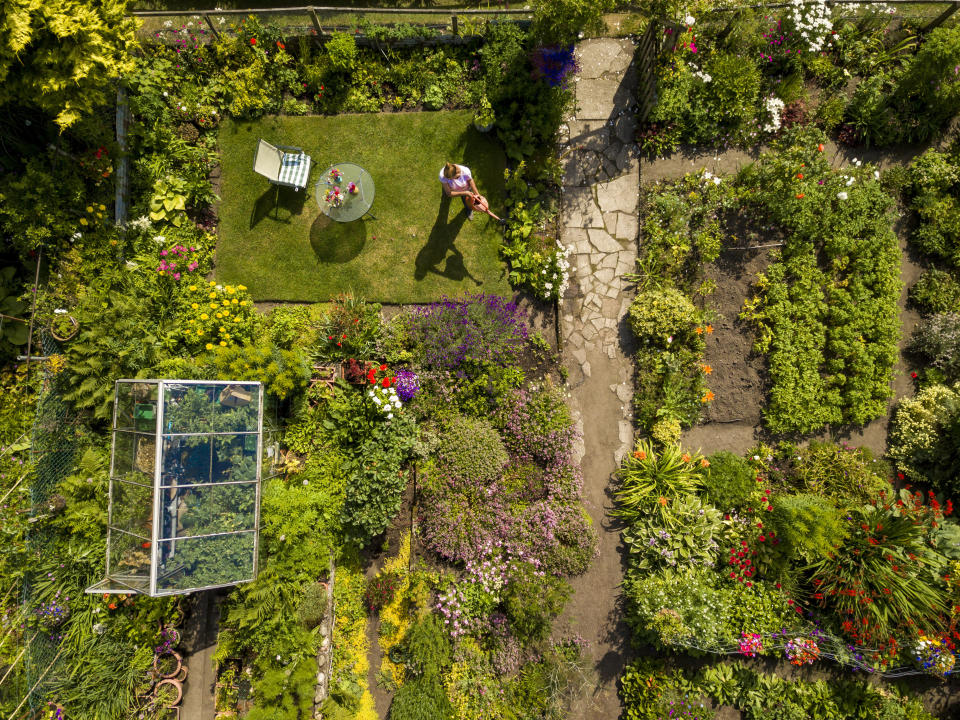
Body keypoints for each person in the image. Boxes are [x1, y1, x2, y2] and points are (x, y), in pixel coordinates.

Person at [439, 162, 504, 223]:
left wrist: (477, 194)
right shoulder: (443, 176)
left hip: (465, 188)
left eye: (456, 178)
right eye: (450, 179)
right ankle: (447, 189)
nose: (452, 180)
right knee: (447, 192)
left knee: (467, 201)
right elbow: (449, 193)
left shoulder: (465, 171)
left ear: (459, 173)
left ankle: (469, 209)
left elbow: (470, 181)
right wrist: (464, 193)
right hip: (455, 189)